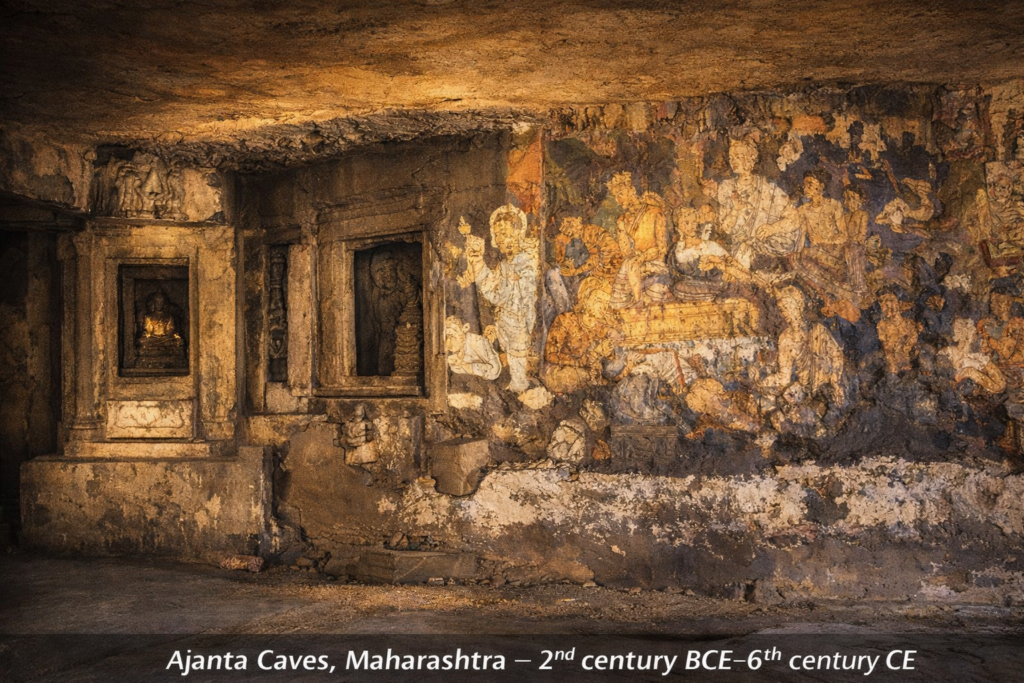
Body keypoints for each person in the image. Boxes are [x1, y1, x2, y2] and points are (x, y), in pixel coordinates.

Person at [464, 204, 539, 393]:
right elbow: (495, 293)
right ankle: (516, 384)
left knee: (518, 350)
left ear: (517, 234)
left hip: (521, 317)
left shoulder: (526, 259)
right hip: (506, 318)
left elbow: (520, 292)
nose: (499, 239)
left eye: (504, 233)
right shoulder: (506, 264)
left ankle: (520, 385)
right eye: (497, 234)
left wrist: (511, 282)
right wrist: (478, 262)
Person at [715, 138, 795, 268]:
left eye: (738, 157)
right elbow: (725, 228)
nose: (733, 161)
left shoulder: (768, 188)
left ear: (751, 158)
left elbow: (794, 218)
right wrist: (736, 210)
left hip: (766, 250)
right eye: (731, 158)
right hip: (739, 251)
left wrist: (772, 228)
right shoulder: (726, 187)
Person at [541, 278, 619, 394]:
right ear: (586, 299)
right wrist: (588, 359)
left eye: (605, 303)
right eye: (598, 301)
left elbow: (603, 363)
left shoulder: (600, 330)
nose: (602, 308)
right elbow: (551, 356)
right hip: (559, 371)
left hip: (586, 373)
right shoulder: (566, 320)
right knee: (576, 376)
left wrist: (608, 352)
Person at [605, 172, 671, 308]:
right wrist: (636, 260)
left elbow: (661, 249)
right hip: (632, 267)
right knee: (619, 303)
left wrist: (644, 257)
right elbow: (626, 253)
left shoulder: (654, 213)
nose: (618, 200)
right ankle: (637, 301)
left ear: (632, 190)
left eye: (621, 194)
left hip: (654, 263)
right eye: (615, 196)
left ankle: (639, 302)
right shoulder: (622, 220)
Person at [940, 318, 1006, 394]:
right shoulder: (948, 352)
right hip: (964, 383)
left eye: (970, 334)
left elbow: (999, 383)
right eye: (965, 335)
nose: (972, 337)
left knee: (1000, 384)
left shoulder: (977, 355)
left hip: (982, 384)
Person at [554, 216, 622, 280]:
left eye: (570, 224)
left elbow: (596, 259)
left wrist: (576, 271)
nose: (564, 230)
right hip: (596, 268)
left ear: (579, 220)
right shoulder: (573, 237)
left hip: (607, 269)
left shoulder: (591, 234)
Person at [444, 316, 502, 381]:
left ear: (464, 329)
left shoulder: (480, 343)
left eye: (451, 336)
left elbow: (494, 371)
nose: (447, 343)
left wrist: (470, 367)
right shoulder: (453, 360)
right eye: (447, 337)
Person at [876, 291, 920, 375]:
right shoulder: (882, 325)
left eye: (891, 302)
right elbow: (886, 347)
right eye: (884, 305)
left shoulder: (909, 323)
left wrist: (906, 350)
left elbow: (914, 341)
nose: (887, 309)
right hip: (892, 358)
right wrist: (892, 363)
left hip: (908, 358)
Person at [137, 290, 185, 363]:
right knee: (142, 341)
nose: (159, 304)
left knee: (179, 341)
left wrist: (168, 334)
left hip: (166, 339)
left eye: (161, 302)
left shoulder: (169, 316)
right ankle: (168, 352)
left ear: (164, 304)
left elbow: (171, 329)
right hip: (153, 339)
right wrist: (147, 333)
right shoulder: (149, 317)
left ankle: (154, 352)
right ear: (154, 303)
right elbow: (147, 330)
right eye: (157, 302)